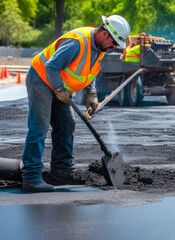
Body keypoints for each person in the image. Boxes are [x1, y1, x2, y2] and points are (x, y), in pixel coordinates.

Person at [21, 15, 130, 192]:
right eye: (115, 43)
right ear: (105, 35)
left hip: (59, 86)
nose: (114, 47)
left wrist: (91, 93)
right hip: (41, 79)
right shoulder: (77, 43)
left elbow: (88, 72)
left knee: (66, 125)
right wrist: (59, 90)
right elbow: (51, 66)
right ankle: (31, 177)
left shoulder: (100, 49)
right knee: (39, 127)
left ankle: (61, 172)